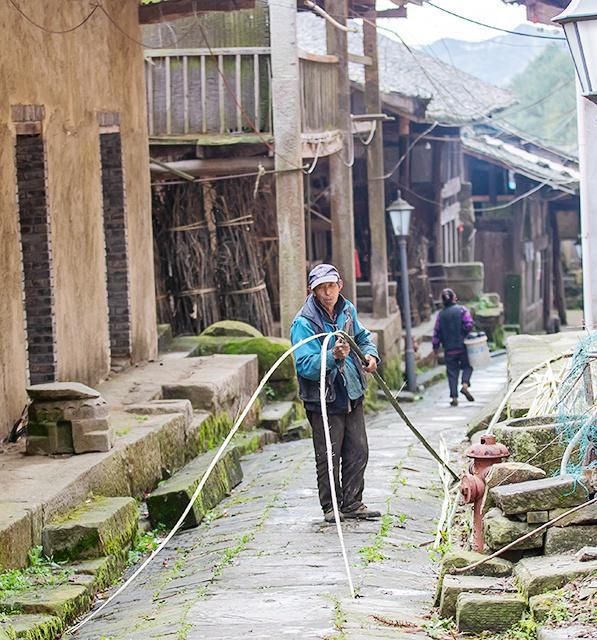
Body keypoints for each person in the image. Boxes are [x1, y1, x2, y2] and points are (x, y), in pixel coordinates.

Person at [290, 263, 380, 523]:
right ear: (312, 290)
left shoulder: (347, 309)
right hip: (323, 398)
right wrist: (332, 356)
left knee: (358, 450)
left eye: (331, 286)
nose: (327, 292)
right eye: (321, 288)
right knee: (329, 454)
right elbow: (304, 364)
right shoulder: (304, 322)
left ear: (339, 285)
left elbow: (362, 338)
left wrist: (371, 356)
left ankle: (353, 502)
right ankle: (331, 508)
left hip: (351, 390)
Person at [432, 288, 475, 407]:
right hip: (462, 346)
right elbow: (469, 324)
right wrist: (464, 332)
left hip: (449, 349)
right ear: (453, 298)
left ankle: (454, 397)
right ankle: (465, 385)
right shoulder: (462, 310)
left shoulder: (440, 315)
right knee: (467, 367)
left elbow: (436, 333)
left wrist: (435, 348)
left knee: (452, 372)